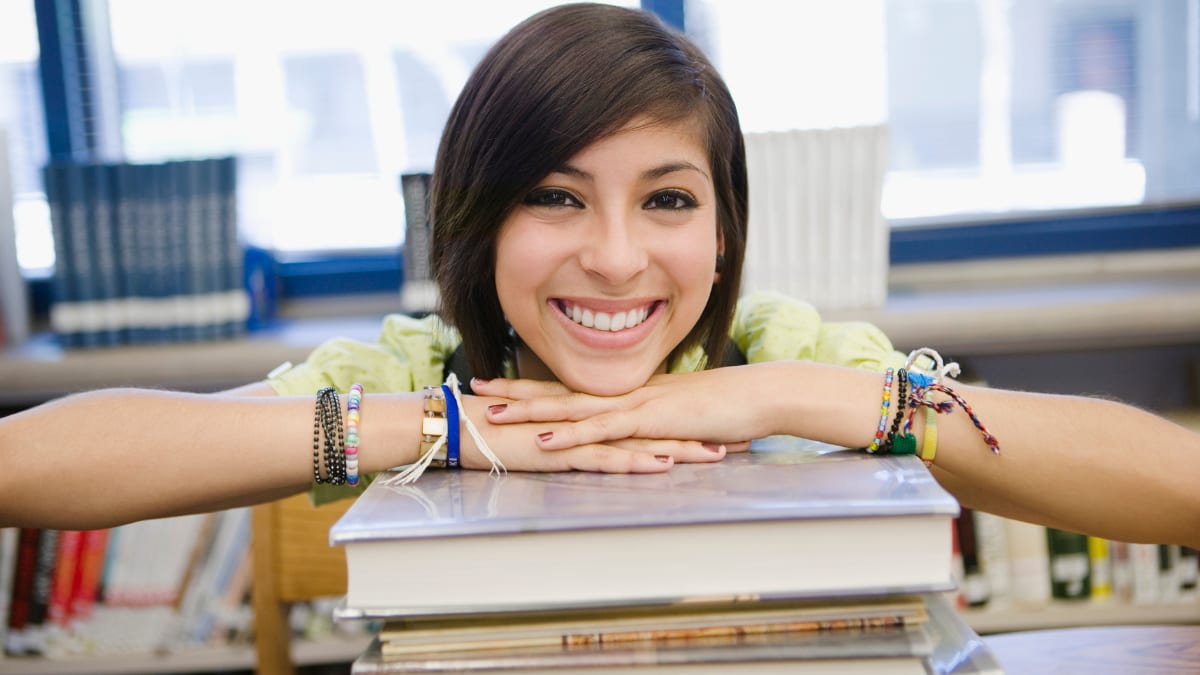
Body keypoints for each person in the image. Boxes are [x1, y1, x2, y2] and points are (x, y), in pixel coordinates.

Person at [1, 3, 1197, 549]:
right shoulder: (420, 370)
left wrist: (793, 402)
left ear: (724, 231)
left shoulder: (778, 346)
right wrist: (442, 428)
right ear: (473, 224)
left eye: (668, 200)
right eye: (553, 197)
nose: (618, 257)